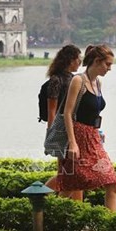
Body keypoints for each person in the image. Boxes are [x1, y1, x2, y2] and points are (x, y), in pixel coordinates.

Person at [58, 44, 116, 212]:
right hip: (77, 136)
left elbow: (93, 112)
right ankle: (50, 220)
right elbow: (68, 113)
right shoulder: (78, 80)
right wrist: (72, 143)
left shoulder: (98, 83)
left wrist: (98, 131)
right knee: (70, 185)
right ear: (97, 61)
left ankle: (110, 225)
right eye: (108, 64)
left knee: (111, 182)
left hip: (92, 137)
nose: (109, 68)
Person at [43, 44, 83, 201]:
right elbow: (51, 110)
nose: (79, 62)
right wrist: (52, 134)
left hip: (75, 129)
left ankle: (77, 207)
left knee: (75, 171)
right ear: (70, 60)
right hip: (61, 131)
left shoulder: (76, 79)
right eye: (77, 59)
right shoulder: (56, 80)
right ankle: (40, 195)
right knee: (65, 173)